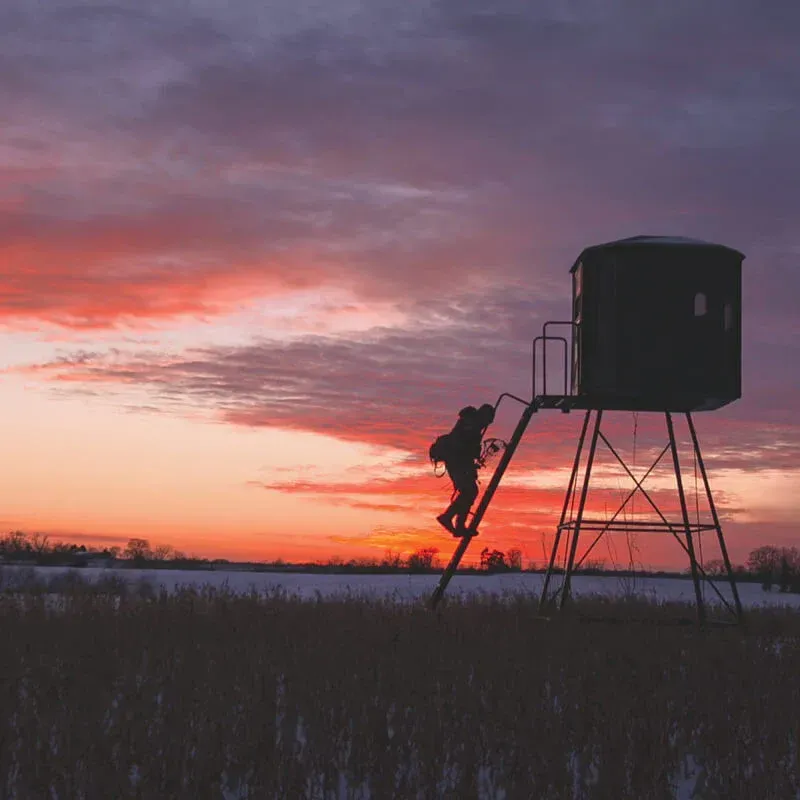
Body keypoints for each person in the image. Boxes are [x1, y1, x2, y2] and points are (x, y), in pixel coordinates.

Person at [436, 403, 495, 536]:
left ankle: (459, 526)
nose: (488, 423)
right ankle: (447, 518)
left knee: (469, 492)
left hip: (460, 462)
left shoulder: (473, 425)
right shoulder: (471, 424)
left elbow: (468, 447)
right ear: (484, 415)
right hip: (456, 462)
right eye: (488, 420)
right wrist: (472, 453)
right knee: (469, 491)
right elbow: (461, 445)